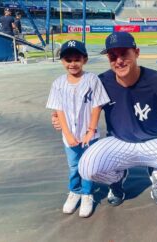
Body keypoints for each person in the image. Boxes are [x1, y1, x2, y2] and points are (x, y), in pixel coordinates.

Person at [52, 32, 157, 207]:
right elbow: (76, 103)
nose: (119, 60)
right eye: (113, 56)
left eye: (124, 53)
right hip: (119, 141)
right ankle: (117, 180)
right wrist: (56, 116)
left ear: (137, 53)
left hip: (155, 140)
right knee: (86, 168)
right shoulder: (101, 82)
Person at [46, 40, 110, 217]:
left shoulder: (92, 79)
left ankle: (87, 194)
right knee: (74, 166)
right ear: (62, 61)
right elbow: (58, 110)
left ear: (85, 60)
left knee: (88, 166)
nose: (72, 64)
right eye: (68, 59)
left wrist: (90, 130)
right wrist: (67, 133)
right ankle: (74, 191)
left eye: (77, 59)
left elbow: (97, 106)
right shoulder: (58, 83)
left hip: (89, 134)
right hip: (70, 136)